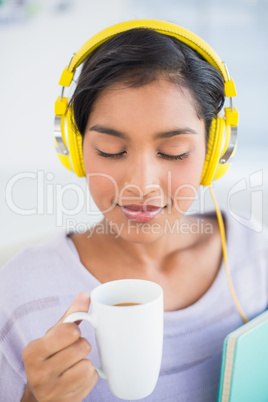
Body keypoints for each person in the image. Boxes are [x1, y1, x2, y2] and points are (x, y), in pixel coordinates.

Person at [0, 19, 267, 402]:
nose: (141, 185)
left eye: (173, 152)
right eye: (111, 150)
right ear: (75, 151)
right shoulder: (18, 293)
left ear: (215, 153)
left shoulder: (257, 255)